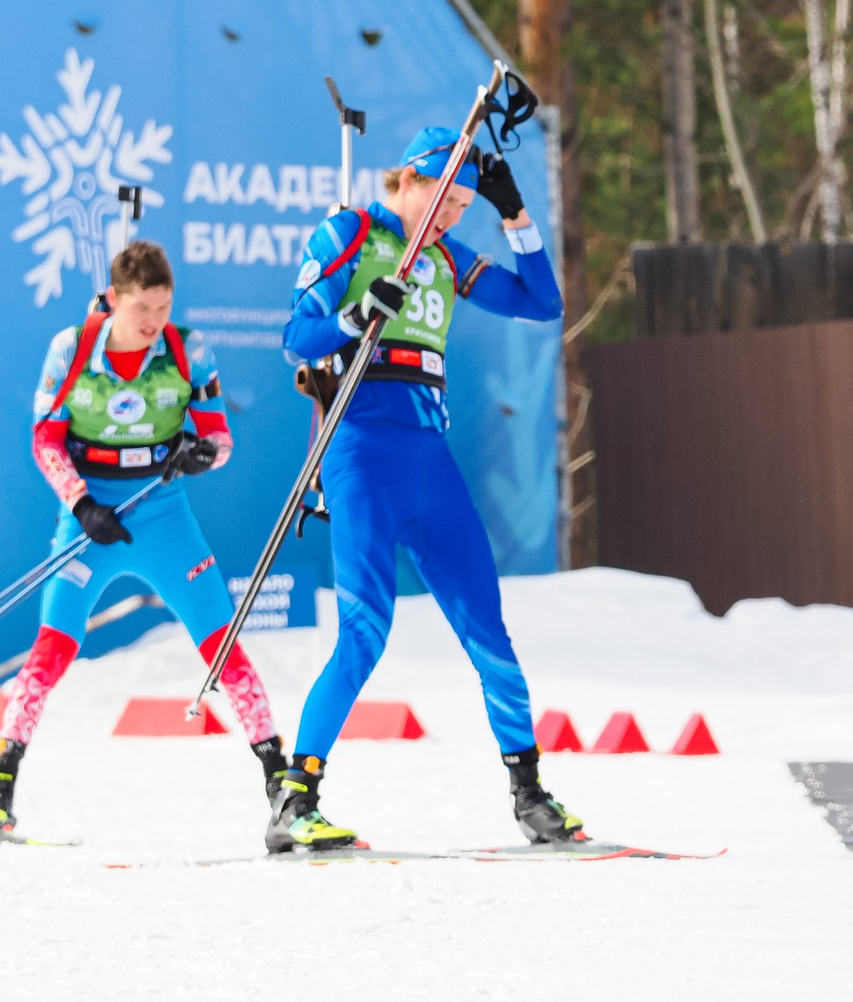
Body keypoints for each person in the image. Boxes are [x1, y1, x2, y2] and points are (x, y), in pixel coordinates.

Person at [269, 127, 572, 852]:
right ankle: (294, 799)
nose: (450, 214)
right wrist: (353, 312)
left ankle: (528, 789)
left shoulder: (445, 255)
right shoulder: (352, 231)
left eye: (464, 202)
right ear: (406, 180)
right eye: (444, 197)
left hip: (428, 454)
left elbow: (542, 302)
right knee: (366, 630)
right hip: (362, 448)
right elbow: (295, 335)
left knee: (485, 623)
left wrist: (515, 213)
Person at [0, 240, 285, 835]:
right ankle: (3, 780)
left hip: (161, 510)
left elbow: (220, 438)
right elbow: (45, 440)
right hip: (92, 513)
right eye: (142, 311)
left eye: (163, 308)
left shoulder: (187, 348)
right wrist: (81, 506)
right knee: (52, 649)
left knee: (222, 641)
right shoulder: (71, 347)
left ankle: (283, 787)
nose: (154, 323)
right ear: (114, 300)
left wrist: (200, 455)